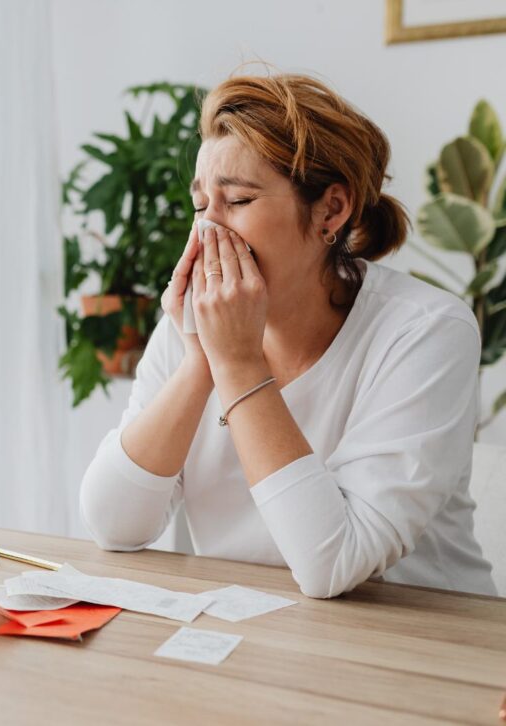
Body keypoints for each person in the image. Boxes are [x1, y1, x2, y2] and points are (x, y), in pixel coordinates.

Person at [79, 71, 496, 598]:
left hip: (424, 647)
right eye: (201, 205)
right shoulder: (193, 327)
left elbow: (335, 565)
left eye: (238, 201)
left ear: (331, 210)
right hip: (260, 639)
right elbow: (113, 526)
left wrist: (238, 365)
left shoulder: (425, 333)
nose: (209, 231)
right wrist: (200, 363)